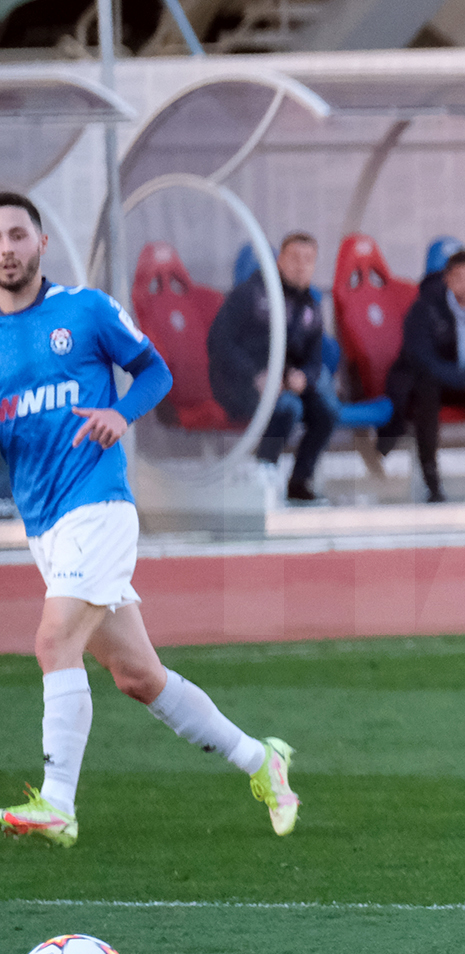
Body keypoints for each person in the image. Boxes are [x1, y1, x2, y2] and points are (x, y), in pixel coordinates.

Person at [0, 192, 298, 848]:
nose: (6, 249)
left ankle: (57, 803)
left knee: (54, 643)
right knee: (138, 677)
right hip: (45, 524)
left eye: (17, 234)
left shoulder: (84, 311)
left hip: (98, 506)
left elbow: (155, 372)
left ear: (40, 243)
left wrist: (120, 413)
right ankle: (261, 761)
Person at [379, 249, 465, 502]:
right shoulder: (424, 308)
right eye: (459, 277)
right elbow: (421, 359)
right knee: (425, 390)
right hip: (439, 383)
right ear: (447, 279)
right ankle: (431, 480)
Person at [207, 231, 335, 502]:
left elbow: (315, 359)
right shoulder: (250, 294)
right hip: (238, 385)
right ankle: (263, 475)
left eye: (308, 259)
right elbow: (219, 343)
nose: (301, 265)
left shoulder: (311, 305)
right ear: (279, 261)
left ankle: (300, 481)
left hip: (283, 385)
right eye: (294, 258)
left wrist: (305, 377)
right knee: (289, 407)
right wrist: (255, 375)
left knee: (326, 410)